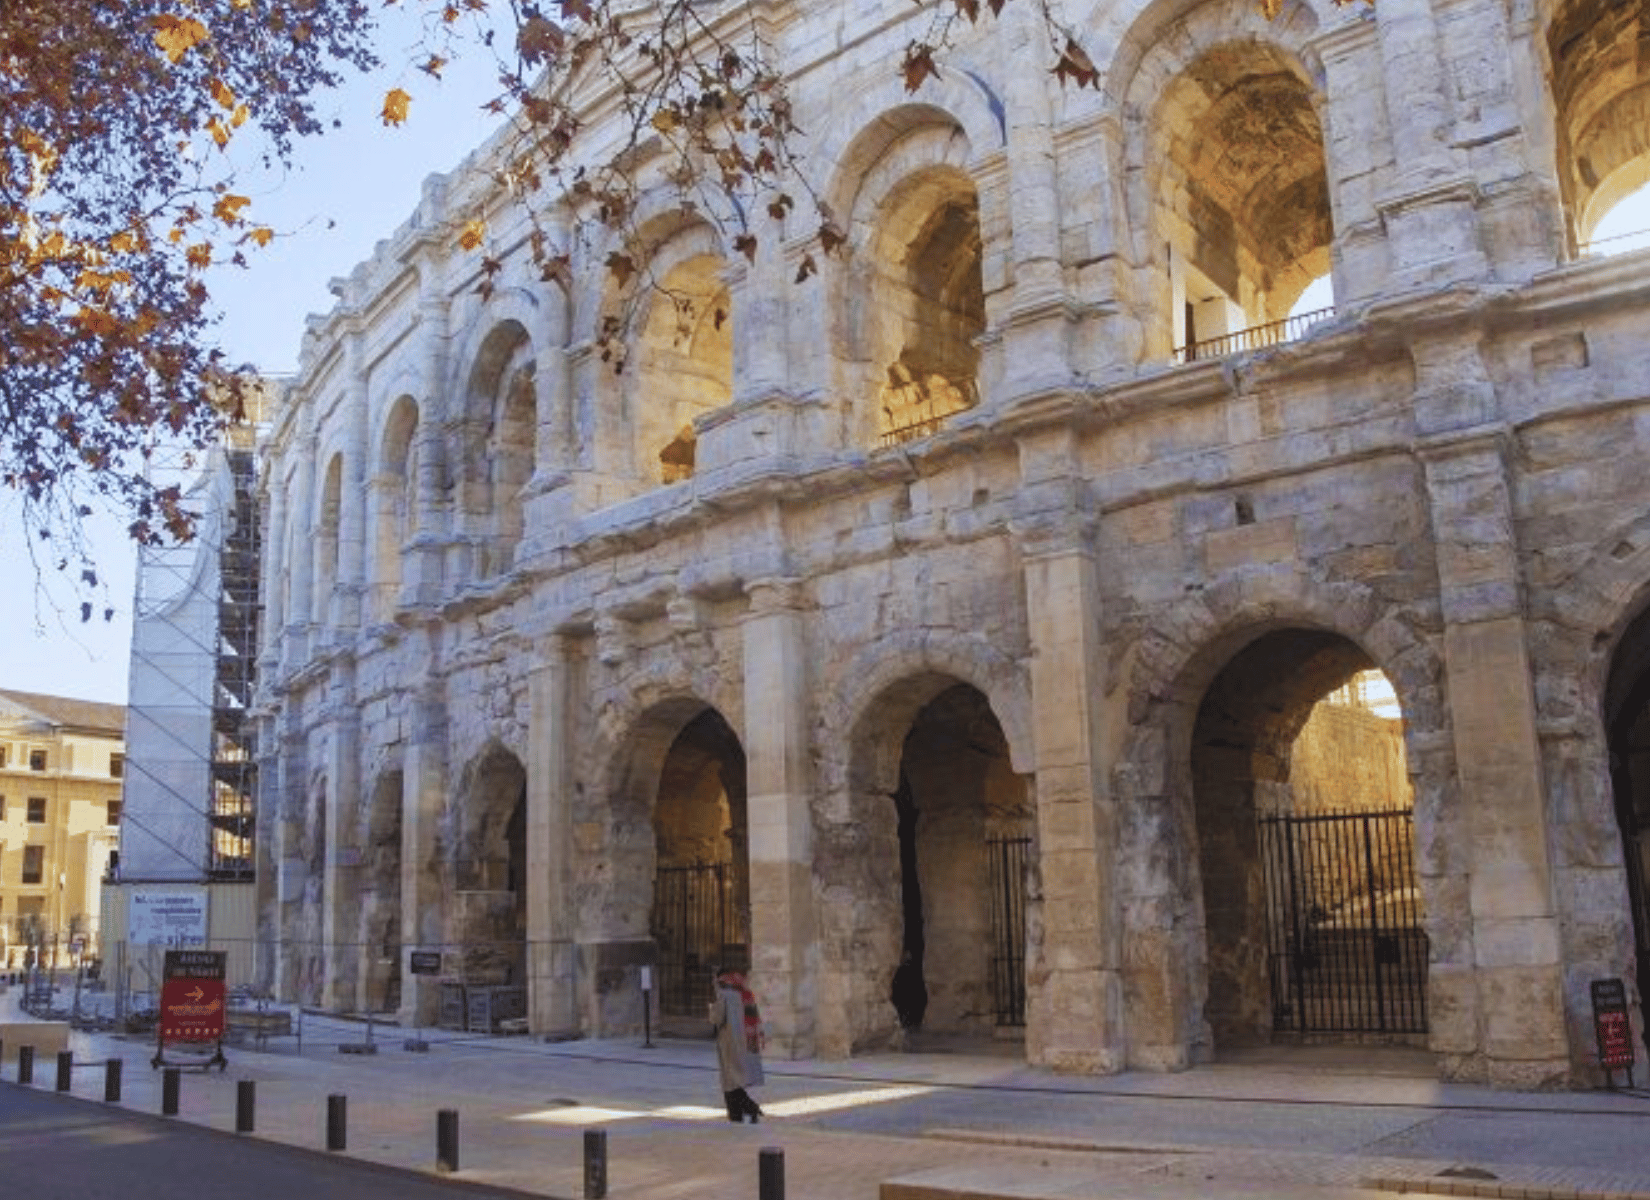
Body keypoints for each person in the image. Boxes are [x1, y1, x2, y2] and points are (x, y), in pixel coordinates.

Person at [708, 967, 764, 1123]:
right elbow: (754, 1016)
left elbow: (716, 1018)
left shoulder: (723, 993)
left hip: (730, 1043)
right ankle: (741, 1112)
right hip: (746, 1042)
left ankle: (746, 1109)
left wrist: (711, 1008)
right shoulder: (745, 992)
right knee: (735, 1080)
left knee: (729, 1081)